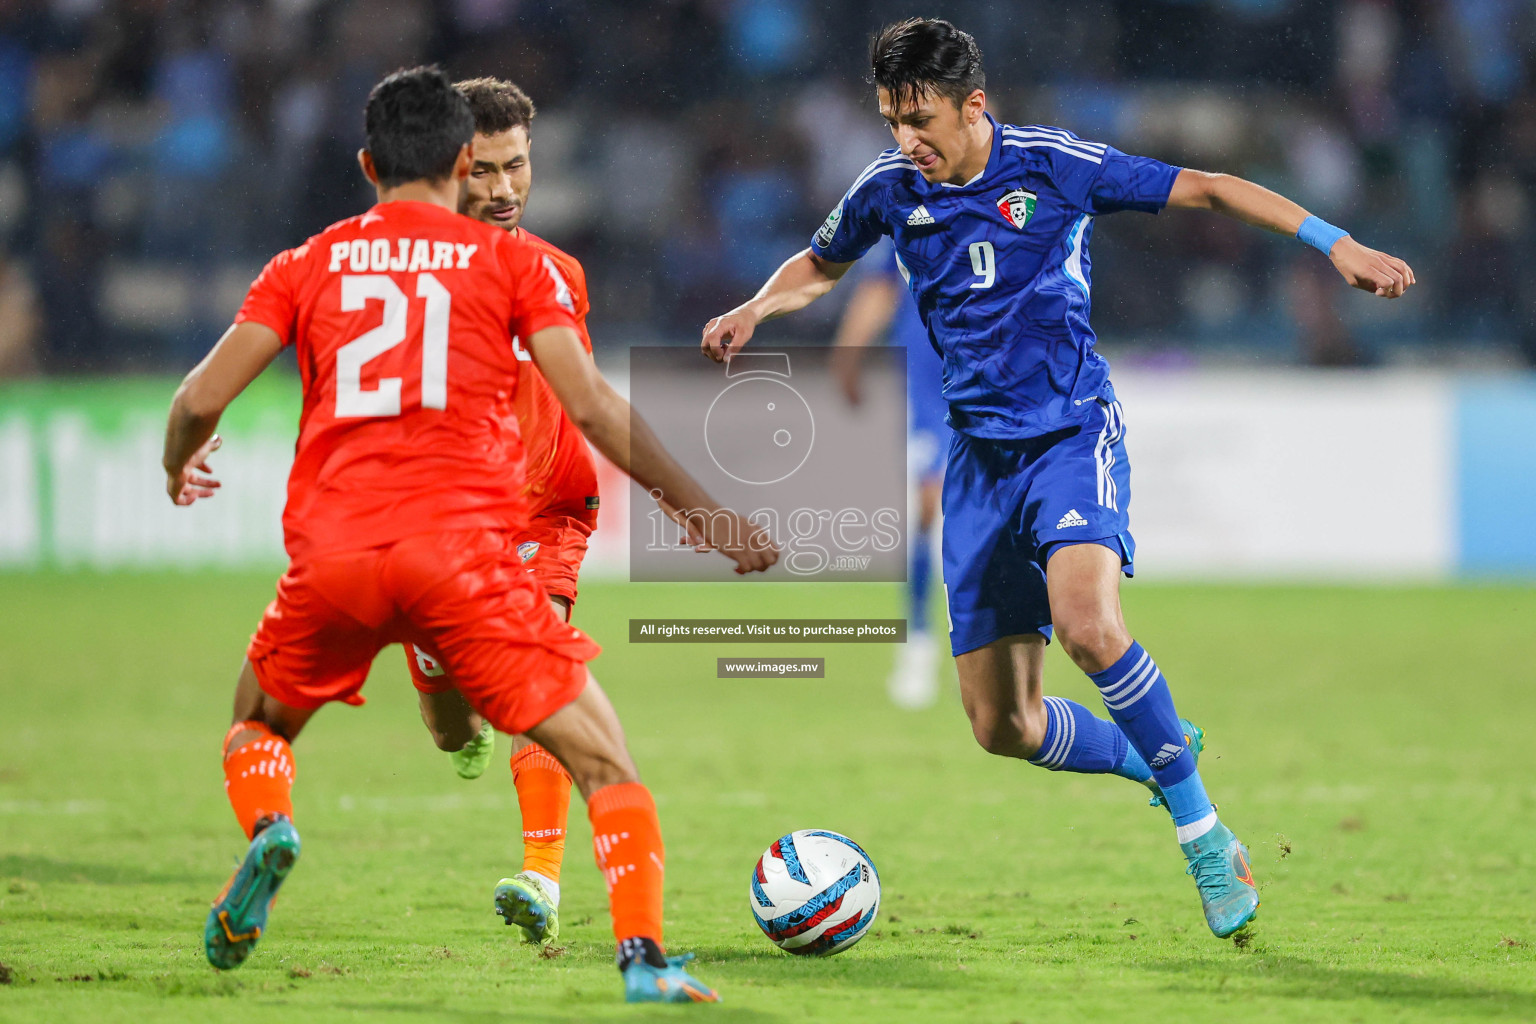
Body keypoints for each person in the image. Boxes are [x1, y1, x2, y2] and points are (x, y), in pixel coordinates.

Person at [701, 18, 1414, 940]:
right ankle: (1155, 758)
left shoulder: (1051, 166)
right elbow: (821, 263)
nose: (904, 140)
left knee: (1087, 624)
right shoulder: (888, 188)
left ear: (973, 106)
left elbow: (1205, 187)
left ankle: (1205, 840)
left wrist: (1335, 241)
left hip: (1070, 432)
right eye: (889, 119)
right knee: (1005, 726)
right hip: (977, 462)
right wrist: (758, 306)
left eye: (918, 119)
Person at [164, 66, 774, 1003]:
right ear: (460, 162)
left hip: (334, 554)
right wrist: (706, 514)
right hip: (459, 554)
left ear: (369, 164)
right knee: (605, 759)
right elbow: (597, 408)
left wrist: (179, 461)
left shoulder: (304, 263)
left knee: (257, 720)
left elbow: (199, 397)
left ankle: (270, 832)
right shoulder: (514, 265)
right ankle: (644, 961)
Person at [397, 76, 605, 951]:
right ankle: (449, 713)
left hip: (546, 514)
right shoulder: (406, 279)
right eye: (482, 170)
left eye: (516, 166)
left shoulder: (561, 273)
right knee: (451, 717)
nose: (504, 188)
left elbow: (579, 396)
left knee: (541, 676)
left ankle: (543, 880)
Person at [830, 241, 946, 709]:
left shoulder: (1009, 204)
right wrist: (848, 355)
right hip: (930, 391)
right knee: (927, 506)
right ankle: (919, 641)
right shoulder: (910, 214)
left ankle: (1005, 644)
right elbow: (879, 288)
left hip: (999, 384)